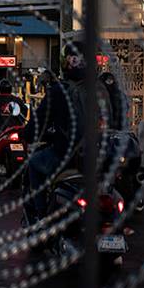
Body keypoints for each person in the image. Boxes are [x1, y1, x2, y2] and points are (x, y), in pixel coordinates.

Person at [22, 42, 91, 221]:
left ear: (66, 62)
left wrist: (27, 135)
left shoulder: (61, 90)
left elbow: (38, 122)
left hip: (68, 155)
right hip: (100, 155)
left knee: (34, 164)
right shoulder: (100, 89)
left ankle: (42, 215)